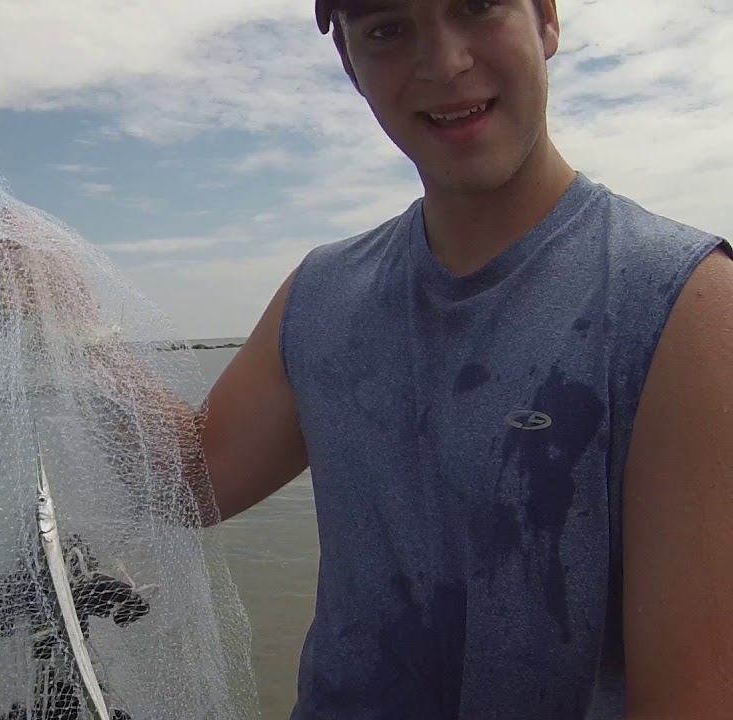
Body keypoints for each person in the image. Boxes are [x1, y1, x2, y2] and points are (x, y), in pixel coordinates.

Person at [192, 1, 731, 718]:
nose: (443, 63)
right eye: (386, 29)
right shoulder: (321, 294)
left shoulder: (688, 304)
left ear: (546, 21)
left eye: (476, 7)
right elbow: (187, 485)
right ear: (350, 64)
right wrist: (67, 326)